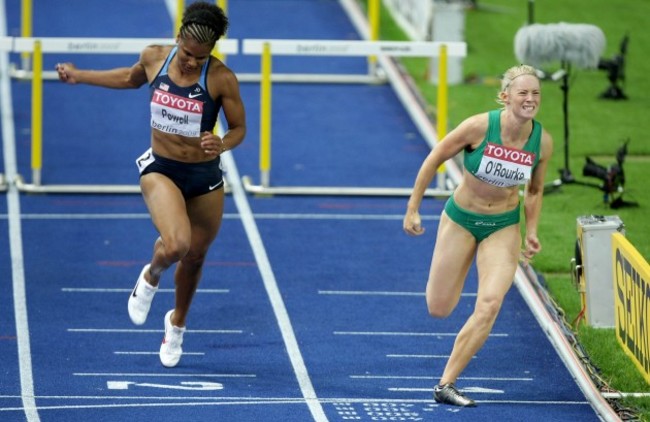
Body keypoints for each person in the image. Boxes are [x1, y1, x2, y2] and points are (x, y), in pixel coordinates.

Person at [55, 1, 246, 368]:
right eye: (188, 54)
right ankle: (151, 274)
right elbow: (129, 78)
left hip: (205, 177)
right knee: (176, 244)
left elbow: (239, 128)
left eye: (201, 58)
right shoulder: (154, 57)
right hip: (161, 169)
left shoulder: (221, 78)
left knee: (195, 258)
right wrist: (81, 75)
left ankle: (176, 325)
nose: (192, 63)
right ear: (178, 38)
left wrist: (222, 142)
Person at [403, 64, 553, 406]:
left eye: (536, 94)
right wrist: (413, 208)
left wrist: (531, 230)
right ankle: (447, 373)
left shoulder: (541, 142)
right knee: (439, 308)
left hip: (503, 226)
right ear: (506, 97)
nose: (530, 99)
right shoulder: (479, 126)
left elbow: (535, 190)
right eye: (523, 93)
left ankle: (446, 383)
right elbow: (434, 157)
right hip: (461, 219)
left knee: (489, 304)